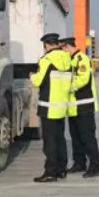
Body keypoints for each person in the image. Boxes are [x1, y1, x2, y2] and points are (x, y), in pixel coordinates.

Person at [30, 33, 73, 182]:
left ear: (47, 45)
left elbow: (37, 81)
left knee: (49, 142)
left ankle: (50, 172)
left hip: (48, 107)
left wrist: (31, 75)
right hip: (61, 106)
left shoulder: (46, 60)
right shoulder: (67, 59)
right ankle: (62, 169)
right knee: (60, 139)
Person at [61, 37, 99, 178]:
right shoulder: (70, 60)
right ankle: (79, 163)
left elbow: (82, 79)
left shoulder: (82, 59)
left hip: (84, 106)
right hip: (73, 108)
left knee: (88, 138)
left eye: (63, 48)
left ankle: (96, 166)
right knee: (76, 138)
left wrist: (66, 86)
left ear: (67, 46)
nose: (62, 51)